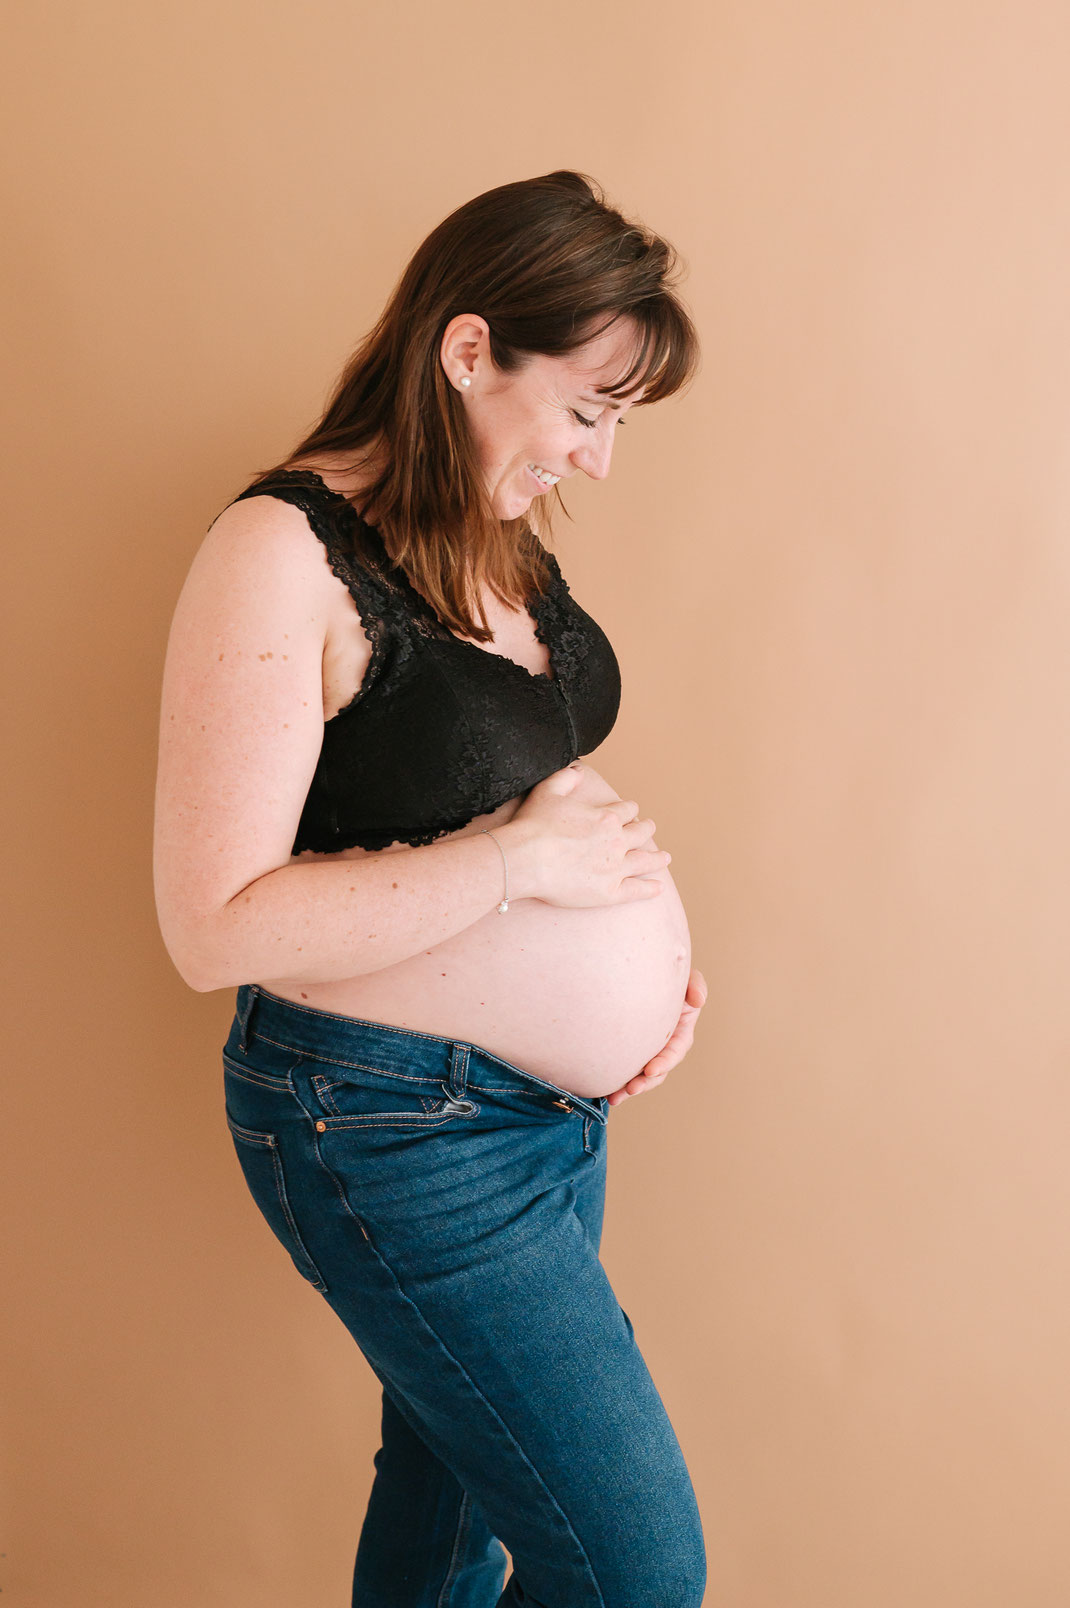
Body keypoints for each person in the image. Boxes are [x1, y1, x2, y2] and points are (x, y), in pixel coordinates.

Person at [153, 169, 708, 1608]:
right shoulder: (277, 554)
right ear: (468, 353)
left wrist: (639, 969)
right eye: (586, 411)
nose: (597, 461)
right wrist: (529, 874)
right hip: (388, 1125)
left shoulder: (484, 531)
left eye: (616, 424)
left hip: (538, 1117)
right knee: (631, 1573)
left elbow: (503, 774)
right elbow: (213, 925)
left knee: (448, 1497)